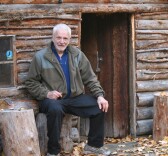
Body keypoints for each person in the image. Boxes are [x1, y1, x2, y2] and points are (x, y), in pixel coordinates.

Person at [25, 23, 111, 156]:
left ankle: (94, 145)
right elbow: (31, 82)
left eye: (65, 38)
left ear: (69, 40)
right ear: (53, 38)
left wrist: (100, 95)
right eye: (58, 38)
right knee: (55, 109)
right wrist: (47, 93)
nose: (61, 41)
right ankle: (53, 152)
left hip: (74, 98)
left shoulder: (77, 55)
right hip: (53, 100)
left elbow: (90, 78)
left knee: (99, 107)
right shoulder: (41, 57)